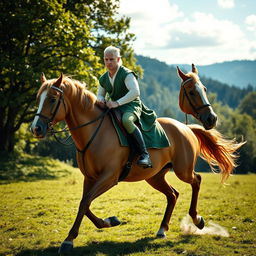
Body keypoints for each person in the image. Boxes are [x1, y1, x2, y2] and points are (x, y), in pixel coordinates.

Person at [96, 46, 157, 168]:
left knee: (126, 121)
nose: (108, 62)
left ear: (118, 59)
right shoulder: (103, 78)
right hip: (114, 106)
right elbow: (99, 94)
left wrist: (116, 103)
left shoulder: (127, 74)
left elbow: (135, 92)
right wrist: (101, 100)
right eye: (106, 59)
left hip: (131, 105)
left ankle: (145, 155)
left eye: (111, 59)